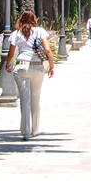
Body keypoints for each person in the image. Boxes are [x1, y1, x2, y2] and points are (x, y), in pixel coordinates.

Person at [5, 10, 55, 140]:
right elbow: (48, 50)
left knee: (24, 100)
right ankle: (35, 130)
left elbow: (11, 53)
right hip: (37, 66)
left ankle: (26, 132)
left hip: (22, 66)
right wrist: (51, 66)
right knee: (35, 98)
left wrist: (8, 64)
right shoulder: (39, 31)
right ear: (34, 19)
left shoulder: (16, 34)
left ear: (21, 20)